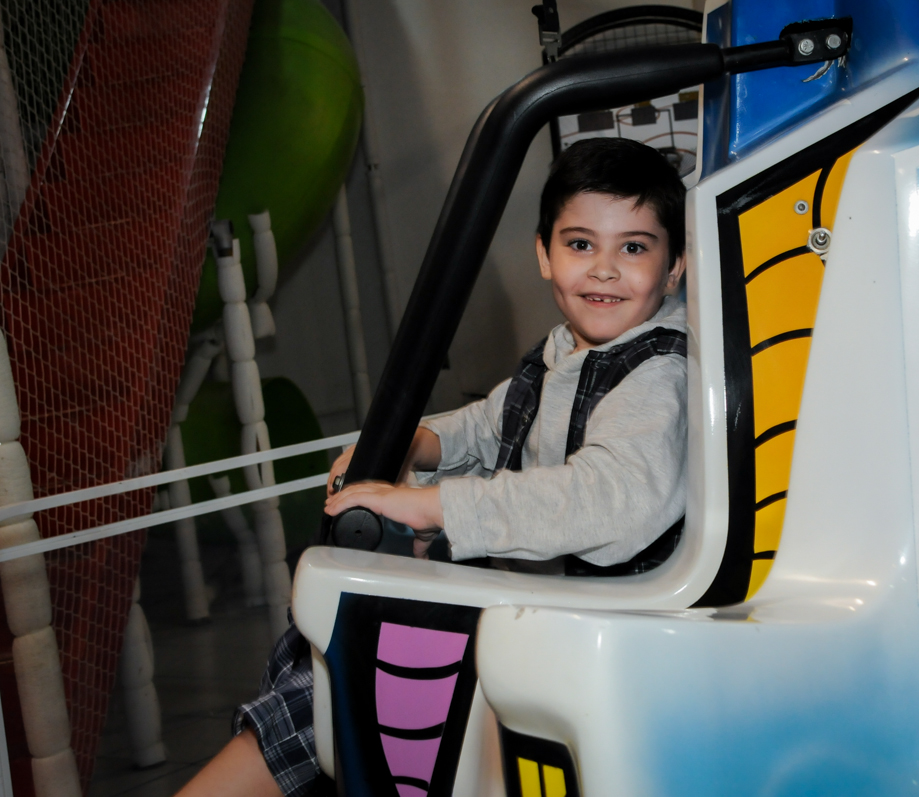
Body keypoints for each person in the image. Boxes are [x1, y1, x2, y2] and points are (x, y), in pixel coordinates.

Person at [175, 137, 688, 797]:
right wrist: (416, 443)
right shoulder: (564, 351)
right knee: (328, 636)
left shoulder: (660, 374)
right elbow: (491, 423)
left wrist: (434, 505)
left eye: (635, 247)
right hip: (539, 599)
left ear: (675, 268)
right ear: (543, 253)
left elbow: (613, 501)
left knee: (356, 660)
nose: (605, 271)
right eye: (581, 244)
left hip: (598, 626)